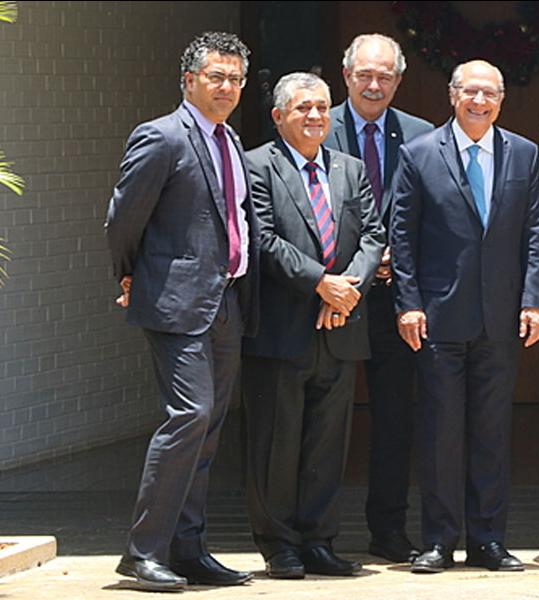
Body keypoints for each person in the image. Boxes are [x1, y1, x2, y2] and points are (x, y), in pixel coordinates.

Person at [105, 31, 257, 592]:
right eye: (216, 76)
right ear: (189, 80)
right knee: (188, 416)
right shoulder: (161, 137)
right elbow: (124, 218)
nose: (226, 87)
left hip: (225, 303)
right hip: (176, 303)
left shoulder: (231, 141)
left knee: (209, 429)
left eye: (235, 79)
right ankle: (142, 552)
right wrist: (130, 273)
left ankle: (188, 549)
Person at [390, 59, 539, 574]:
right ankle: (438, 540)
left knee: (491, 433)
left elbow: (536, 235)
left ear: (501, 100)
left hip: (501, 318)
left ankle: (488, 541)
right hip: (438, 317)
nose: (480, 102)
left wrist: (533, 299)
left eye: (490, 94)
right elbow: (403, 237)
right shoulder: (418, 154)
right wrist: (408, 303)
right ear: (453, 95)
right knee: (440, 434)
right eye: (471, 92)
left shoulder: (525, 155)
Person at [241, 72, 384, 580]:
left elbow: (373, 234)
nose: (315, 117)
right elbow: (262, 237)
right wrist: (321, 283)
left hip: (341, 326)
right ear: (279, 115)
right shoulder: (257, 165)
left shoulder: (349, 167)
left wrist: (348, 289)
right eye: (303, 108)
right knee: (277, 444)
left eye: (322, 107)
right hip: (282, 330)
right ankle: (279, 545)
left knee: (327, 443)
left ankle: (320, 541)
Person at [324, 32, 434, 564]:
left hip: (397, 299)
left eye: (385, 76)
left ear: (398, 80)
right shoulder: (318, 125)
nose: (374, 84)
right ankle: (315, 530)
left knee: (395, 421)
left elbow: (432, 213)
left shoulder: (420, 135)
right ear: (346, 76)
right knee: (325, 417)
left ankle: (388, 529)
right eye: (365, 74)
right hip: (334, 296)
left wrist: (399, 262)